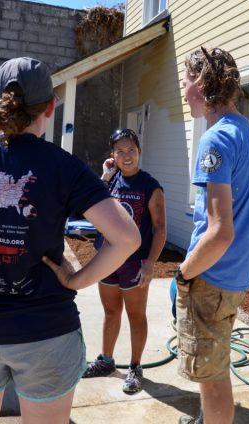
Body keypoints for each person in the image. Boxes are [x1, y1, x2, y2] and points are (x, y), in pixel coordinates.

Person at [0, 57, 140, 424]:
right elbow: (126, 238)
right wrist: (75, 280)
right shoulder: (65, 166)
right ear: (50, 106)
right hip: (47, 331)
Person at [175, 47, 249, 424]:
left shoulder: (217, 140)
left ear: (203, 84)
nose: (183, 89)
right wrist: (248, 248)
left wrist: (183, 273)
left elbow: (219, 233)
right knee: (215, 367)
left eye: (186, 81)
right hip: (235, 279)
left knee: (212, 378)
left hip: (210, 280)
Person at [82, 128, 166, 395]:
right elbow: (89, 204)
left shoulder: (150, 186)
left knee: (136, 315)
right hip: (108, 260)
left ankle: (135, 367)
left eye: (131, 150)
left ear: (139, 152)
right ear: (112, 156)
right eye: (120, 151)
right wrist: (105, 175)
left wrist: (150, 262)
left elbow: (161, 228)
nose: (126, 155)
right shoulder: (111, 181)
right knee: (110, 312)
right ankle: (106, 360)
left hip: (134, 263)